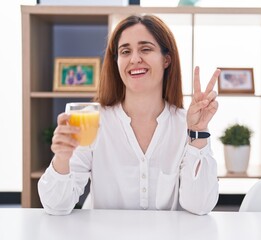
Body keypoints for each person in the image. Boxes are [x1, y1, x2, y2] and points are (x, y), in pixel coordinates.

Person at [38, 14, 220, 216]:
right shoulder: (93, 120)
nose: (134, 59)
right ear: (116, 62)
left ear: (166, 59)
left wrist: (198, 132)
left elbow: (200, 206)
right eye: (125, 51)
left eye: (146, 49)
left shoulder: (184, 124)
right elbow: (56, 206)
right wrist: (62, 158)